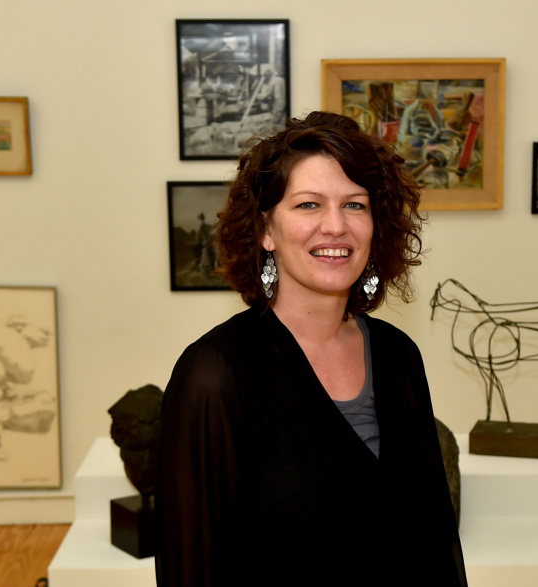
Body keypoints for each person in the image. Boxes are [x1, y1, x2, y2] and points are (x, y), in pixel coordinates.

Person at [156, 111, 467, 586]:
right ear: (265, 230)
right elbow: (193, 568)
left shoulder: (397, 355)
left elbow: (435, 543)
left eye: (355, 205)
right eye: (308, 205)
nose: (335, 226)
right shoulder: (216, 374)